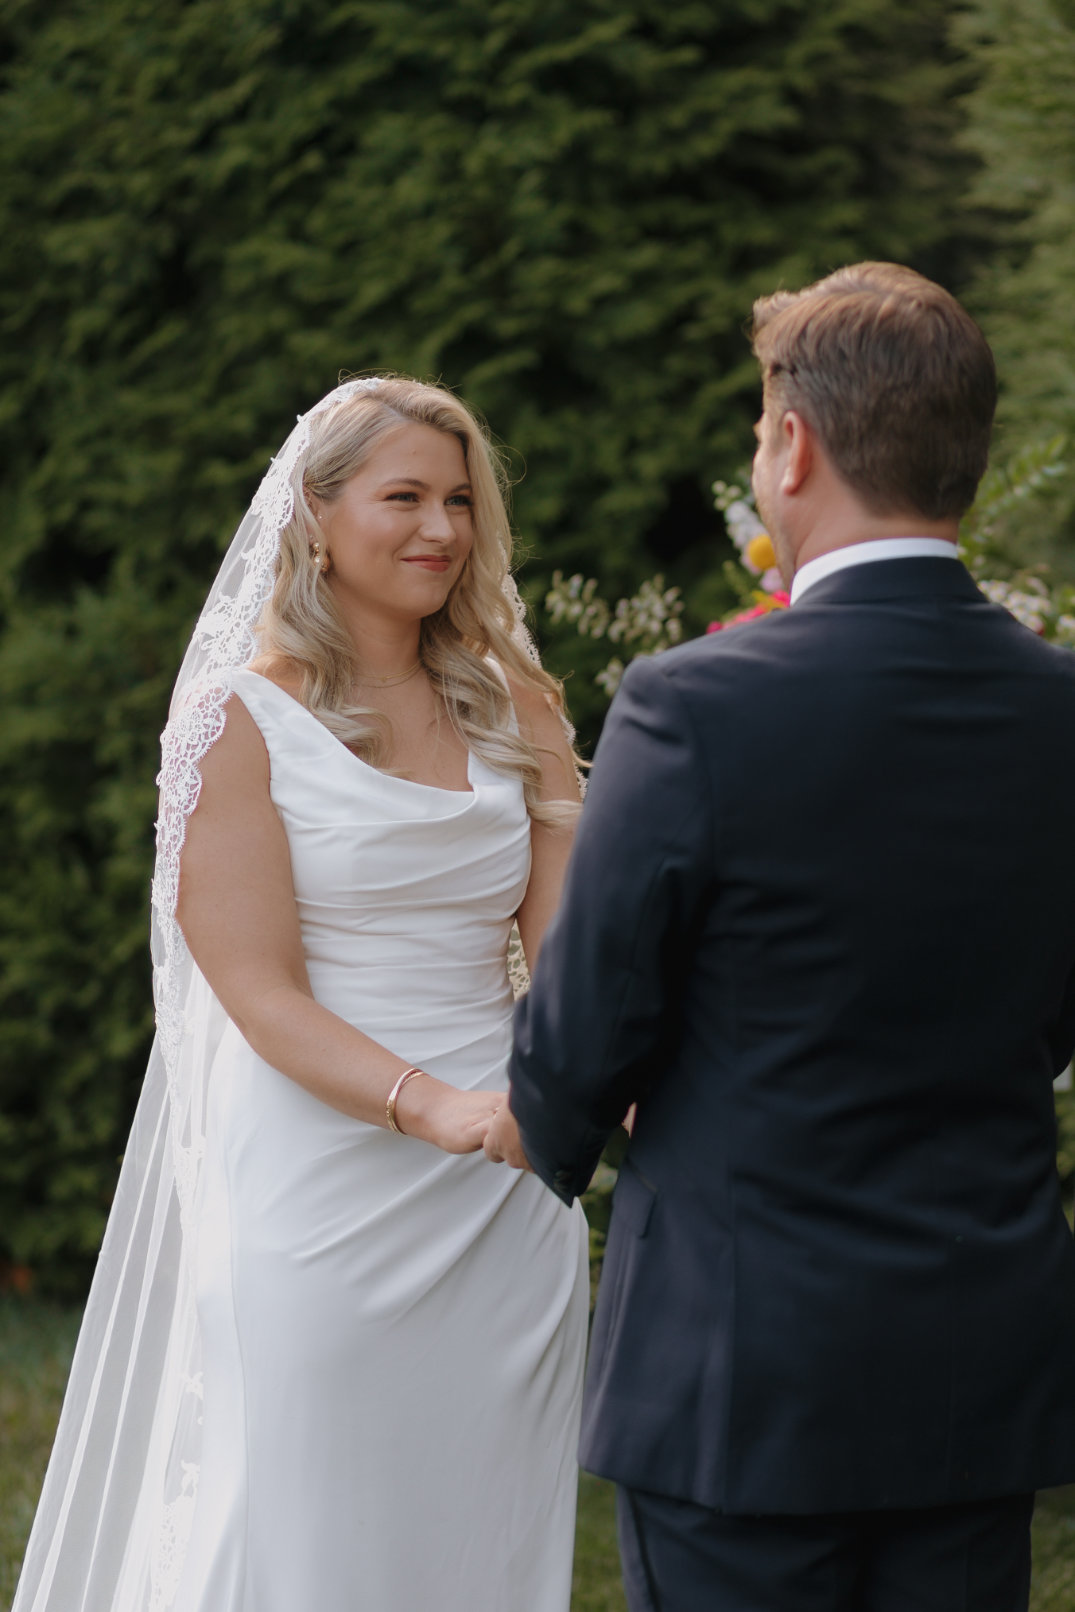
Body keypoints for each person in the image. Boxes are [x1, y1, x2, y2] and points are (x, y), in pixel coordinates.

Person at [486, 263, 1075, 1612]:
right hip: (969, 1362)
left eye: (758, 430)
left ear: (792, 445)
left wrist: (605, 1098)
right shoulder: (1059, 711)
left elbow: (577, 1045)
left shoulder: (689, 707)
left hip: (734, 1367)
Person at [14, 376, 589, 1612]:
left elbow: (573, 960)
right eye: (404, 497)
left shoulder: (519, 706)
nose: (441, 528)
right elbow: (260, 996)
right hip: (320, 1191)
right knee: (303, 1526)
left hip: (505, 1193)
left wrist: (598, 1096)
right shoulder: (237, 722)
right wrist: (437, 1107)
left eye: (458, 501)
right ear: (316, 514)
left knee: (482, 1532)